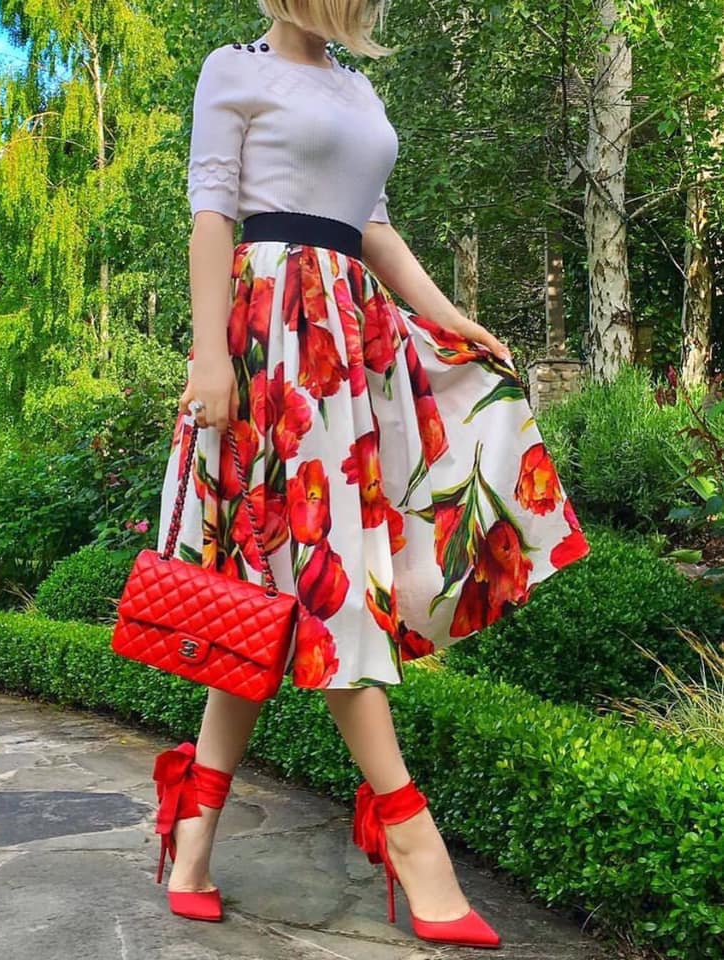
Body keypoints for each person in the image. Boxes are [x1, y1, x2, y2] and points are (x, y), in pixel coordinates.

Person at [149, 0, 590, 949]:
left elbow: (375, 231)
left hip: (350, 343)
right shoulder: (234, 71)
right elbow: (211, 216)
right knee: (328, 584)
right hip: (271, 340)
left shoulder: (360, 86)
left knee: (269, 602)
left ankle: (192, 836)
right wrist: (209, 358)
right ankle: (414, 841)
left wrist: (454, 315)